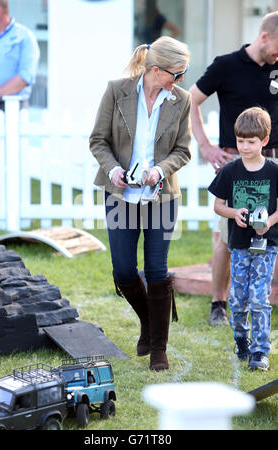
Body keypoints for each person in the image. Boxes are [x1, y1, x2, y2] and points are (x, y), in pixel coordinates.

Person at [89, 36, 191, 371]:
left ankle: (158, 347)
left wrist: (160, 170)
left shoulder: (182, 100)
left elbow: (183, 150)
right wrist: (113, 169)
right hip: (121, 195)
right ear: (157, 70)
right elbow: (98, 140)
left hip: (161, 196)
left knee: (157, 270)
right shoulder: (117, 91)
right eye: (178, 74)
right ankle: (149, 322)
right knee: (123, 269)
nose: (181, 80)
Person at [189, 11, 278, 326]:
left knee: (273, 229)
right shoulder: (225, 65)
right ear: (265, 36)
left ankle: (267, 299)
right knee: (228, 237)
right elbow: (192, 100)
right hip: (235, 163)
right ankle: (219, 304)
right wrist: (205, 146)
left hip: (274, 161)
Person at [208, 107, 278, 370]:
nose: (245, 147)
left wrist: (268, 222)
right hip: (238, 245)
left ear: (264, 141)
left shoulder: (273, 171)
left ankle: (260, 352)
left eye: (251, 142)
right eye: (240, 141)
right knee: (237, 299)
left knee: (259, 297)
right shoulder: (230, 171)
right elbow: (218, 206)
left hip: (266, 245)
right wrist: (234, 213)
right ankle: (242, 339)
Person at [0, 0, 40, 189]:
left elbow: (24, 77)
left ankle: (18, 212)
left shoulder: (24, 37)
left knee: (14, 163)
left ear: (0, 11)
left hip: (12, 107)